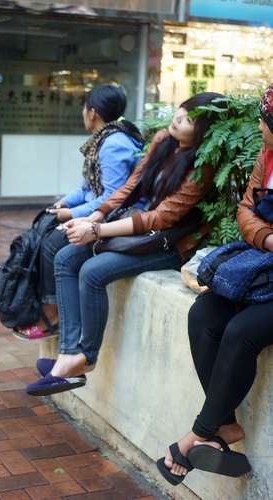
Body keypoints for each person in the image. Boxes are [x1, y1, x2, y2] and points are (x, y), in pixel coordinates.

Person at [26, 92, 225, 396]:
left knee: (92, 271)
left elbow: (161, 218)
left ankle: (86, 358)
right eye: (181, 111)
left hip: (169, 244)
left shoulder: (203, 166)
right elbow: (131, 186)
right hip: (137, 231)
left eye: (188, 120)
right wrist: (95, 215)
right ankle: (68, 354)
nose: (178, 119)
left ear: (204, 132)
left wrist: (97, 230)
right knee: (66, 258)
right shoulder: (163, 140)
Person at [157, 85, 273, 485]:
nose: (259, 127)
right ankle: (222, 424)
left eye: (264, 121)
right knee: (203, 315)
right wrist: (268, 238)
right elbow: (245, 209)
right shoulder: (266, 156)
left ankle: (196, 436)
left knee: (241, 331)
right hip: (266, 267)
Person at [16, 85, 143, 340]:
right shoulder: (102, 140)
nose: (83, 112)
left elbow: (112, 197)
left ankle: (53, 316)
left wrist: (71, 214)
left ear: (92, 112)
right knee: (43, 233)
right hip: (96, 211)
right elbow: (86, 188)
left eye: (84, 108)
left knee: (52, 244)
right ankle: (46, 310)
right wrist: (63, 204)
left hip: (113, 217)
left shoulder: (114, 143)